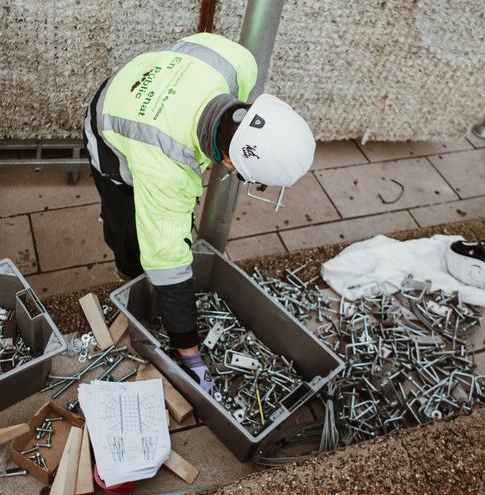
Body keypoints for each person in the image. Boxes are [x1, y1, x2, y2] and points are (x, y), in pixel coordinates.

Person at [83, 32, 315, 393]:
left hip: (143, 87)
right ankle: (127, 276)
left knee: (166, 221)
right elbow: (168, 264)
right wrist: (189, 352)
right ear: (226, 160)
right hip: (111, 123)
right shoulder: (168, 170)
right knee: (127, 224)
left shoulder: (238, 63)